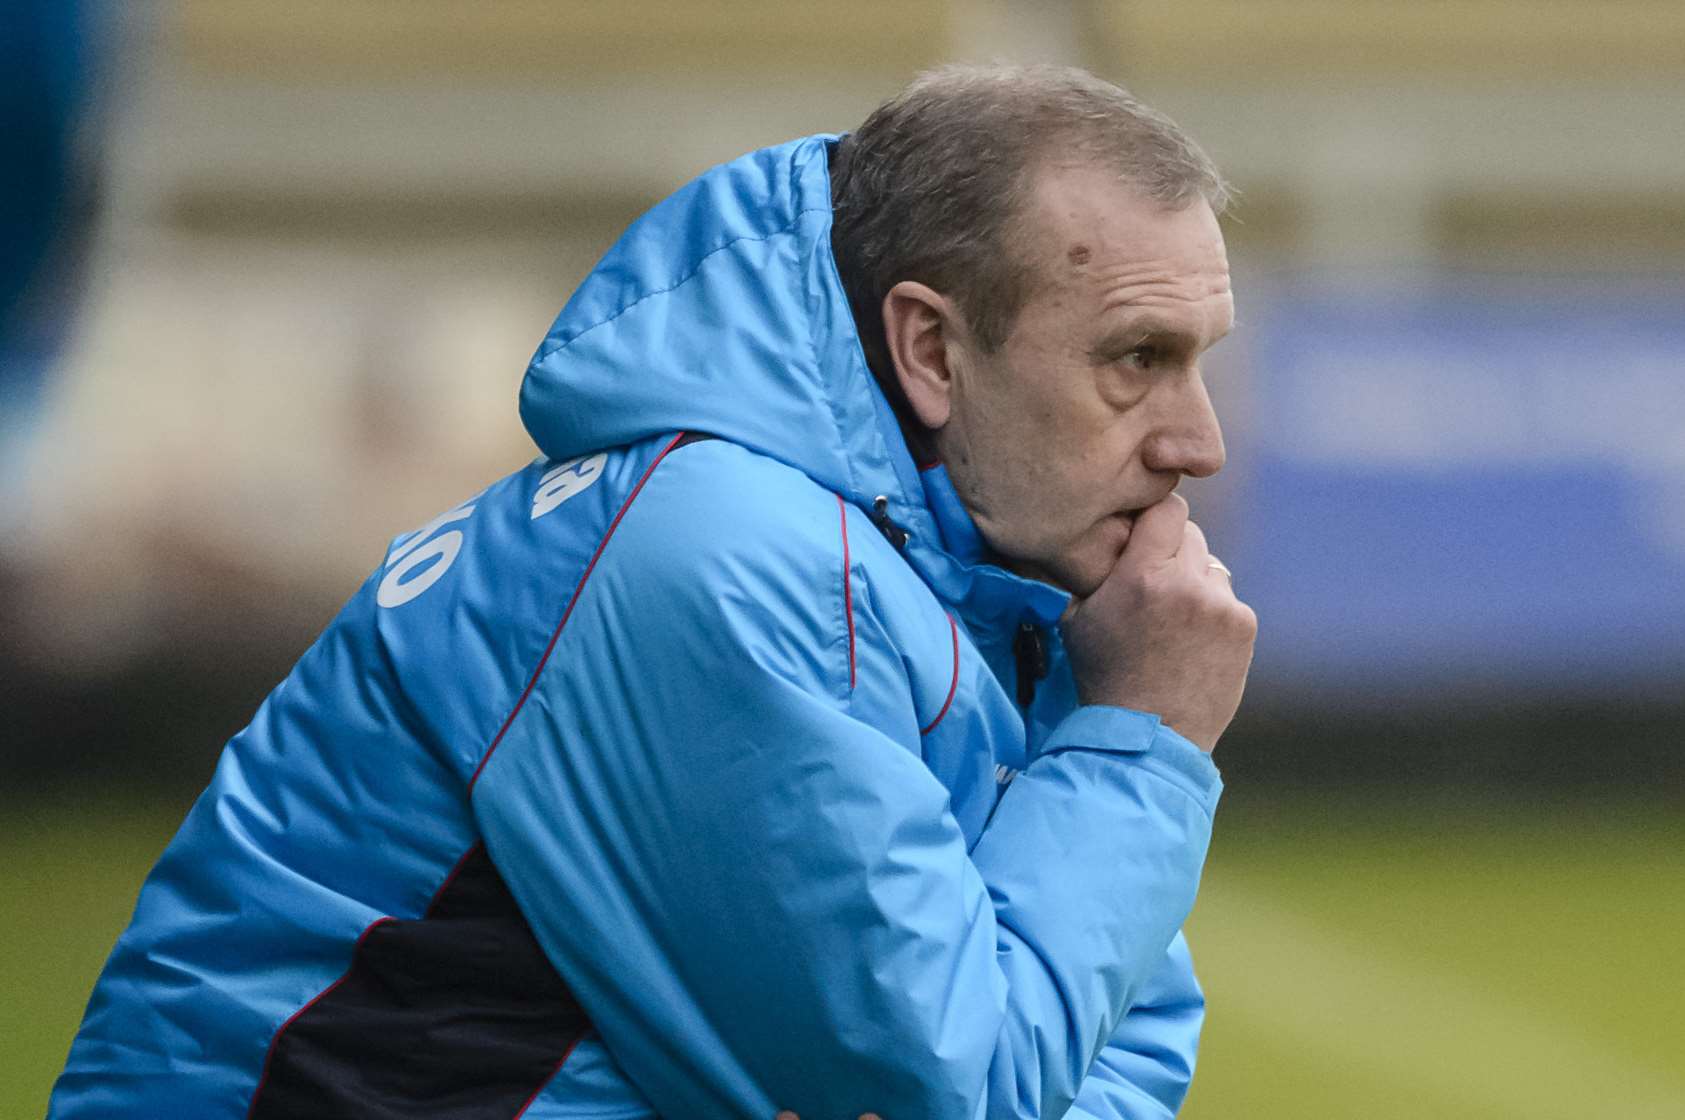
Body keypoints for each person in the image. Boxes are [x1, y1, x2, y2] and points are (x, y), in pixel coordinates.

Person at [49, 64, 1254, 1120]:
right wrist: (1140, 739)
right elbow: (962, 1087)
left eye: (1198, 361)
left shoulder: (976, 578)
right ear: (929, 351)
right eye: (1134, 358)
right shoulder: (723, 557)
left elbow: (1117, 1019)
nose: (1194, 442)